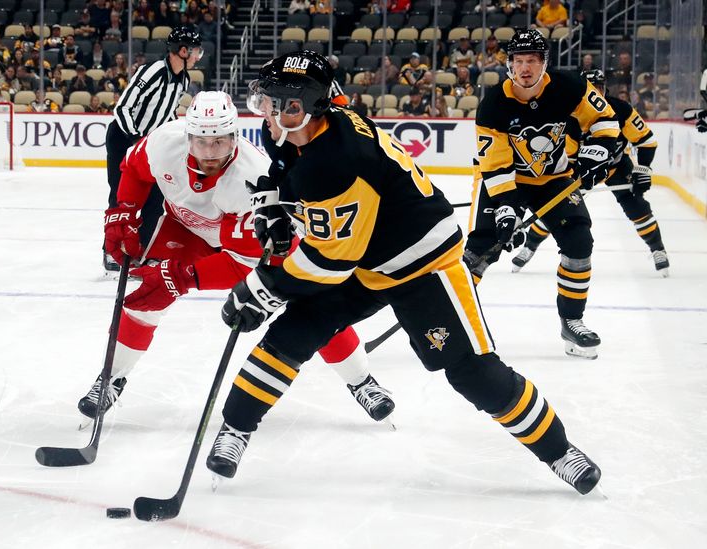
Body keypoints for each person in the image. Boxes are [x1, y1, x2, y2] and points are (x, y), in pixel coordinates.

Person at [212, 50, 602, 497]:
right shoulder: (299, 128)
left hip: (422, 263)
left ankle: (559, 451)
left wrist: (260, 287)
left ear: (304, 106)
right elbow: (284, 167)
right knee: (293, 332)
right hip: (367, 257)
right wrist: (273, 202)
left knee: (472, 372)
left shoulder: (335, 162)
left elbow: (328, 261)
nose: (265, 112)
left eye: (275, 102)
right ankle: (236, 428)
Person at [79, 91, 395, 429]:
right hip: (185, 227)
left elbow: (242, 263)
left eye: (220, 142)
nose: (210, 153)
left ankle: (362, 381)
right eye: (202, 142)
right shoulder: (164, 143)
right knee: (144, 301)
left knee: (312, 309)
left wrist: (180, 277)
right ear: (188, 137)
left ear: (234, 136)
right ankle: (111, 377)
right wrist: (123, 212)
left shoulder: (252, 180)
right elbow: (133, 170)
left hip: (259, 247)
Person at [464, 29, 619, 360]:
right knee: (479, 253)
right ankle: (452, 321)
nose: (524, 68)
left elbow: (604, 119)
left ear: (544, 63)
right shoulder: (493, 103)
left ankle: (572, 321)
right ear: (509, 65)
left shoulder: (570, 86)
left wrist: (601, 149)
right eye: (518, 61)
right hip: (507, 181)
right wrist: (506, 209)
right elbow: (494, 163)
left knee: (579, 242)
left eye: (532, 61)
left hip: (554, 179)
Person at [512, 69, 668, 276]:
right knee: (557, 208)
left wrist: (642, 169)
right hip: (582, 170)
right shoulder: (569, 116)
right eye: (591, 88)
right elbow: (567, 157)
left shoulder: (621, 109)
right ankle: (529, 246)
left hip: (616, 167)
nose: (596, 93)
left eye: (599, 88)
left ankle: (658, 249)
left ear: (605, 89)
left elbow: (646, 141)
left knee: (637, 206)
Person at [104, 27, 202, 274]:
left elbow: (167, 114)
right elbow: (123, 108)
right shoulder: (153, 71)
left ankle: (144, 251)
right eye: (195, 51)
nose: (198, 55)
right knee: (121, 197)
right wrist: (136, 140)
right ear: (183, 50)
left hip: (148, 146)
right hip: (124, 138)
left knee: (157, 198)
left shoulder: (184, 79)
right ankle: (111, 250)